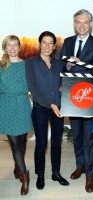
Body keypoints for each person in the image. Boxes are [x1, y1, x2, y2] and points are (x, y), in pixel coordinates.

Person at [61, 9, 93, 193]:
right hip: (72, 98)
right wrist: (68, 65)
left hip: (89, 98)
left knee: (89, 138)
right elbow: (60, 64)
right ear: (74, 24)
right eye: (78, 22)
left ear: (91, 24)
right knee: (76, 135)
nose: (82, 25)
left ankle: (89, 175)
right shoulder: (68, 42)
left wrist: (79, 65)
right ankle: (80, 165)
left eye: (85, 22)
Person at [25, 31, 69, 190]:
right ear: (39, 44)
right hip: (41, 108)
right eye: (44, 42)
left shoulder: (58, 63)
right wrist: (51, 104)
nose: (47, 46)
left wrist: (63, 89)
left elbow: (65, 82)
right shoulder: (30, 63)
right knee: (41, 143)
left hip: (59, 107)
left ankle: (55, 173)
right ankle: (40, 174)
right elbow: (33, 88)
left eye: (51, 43)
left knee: (57, 142)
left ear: (54, 46)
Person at [0, 35, 33, 195]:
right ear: (5, 48)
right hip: (6, 105)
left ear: (19, 48)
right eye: (8, 45)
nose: (12, 48)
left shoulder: (27, 66)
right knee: (14, 144)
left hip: (23, 104)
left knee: (22, 140)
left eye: (15, 45)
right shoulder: (1, 66)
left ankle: (17, 167)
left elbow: (34, 84)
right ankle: (25, 177)